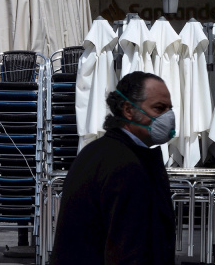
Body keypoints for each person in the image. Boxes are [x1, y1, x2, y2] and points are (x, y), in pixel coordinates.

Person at [50, 71, 176, 265]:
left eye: (169, 109)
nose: (168, 117)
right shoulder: (126, 165)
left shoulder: (96, 151)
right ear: (128, 109)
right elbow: (128, 249)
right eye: (159, 109)